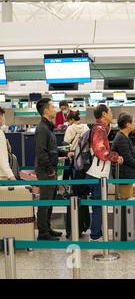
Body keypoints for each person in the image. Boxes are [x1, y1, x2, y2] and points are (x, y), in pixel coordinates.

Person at [86, 104, 123, 241]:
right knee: (98, 205)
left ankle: (97, 233)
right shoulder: (99, 129)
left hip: (98, 173)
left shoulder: (102, 129)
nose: (112, 114)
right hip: (96, 173)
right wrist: (115, 157)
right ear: (104, 114)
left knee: (99, 205)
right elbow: (101, 151)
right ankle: (95, 236)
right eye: (110, 111)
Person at [35, 98, 69, 241]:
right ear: (46, 111)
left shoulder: (48, 127)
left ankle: (47, 228)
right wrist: (50, 170)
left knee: (50, 200)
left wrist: (65, 153)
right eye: (52, 106)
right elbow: (41, 152)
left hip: (50, 170)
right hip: (46, 171)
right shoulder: (42, 128)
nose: (55, 108)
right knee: (45, 202)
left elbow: (52, 150)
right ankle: (43, 233)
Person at [111, 113, 135, 234]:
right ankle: (127, 229)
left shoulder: (125, 137)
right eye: (133, 121)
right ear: (127, 124)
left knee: (134, 201)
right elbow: (127, 157)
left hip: (131, 175)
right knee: (127, 202)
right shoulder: (120, 138)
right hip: (124, 176)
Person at [0, 107, 16, 181]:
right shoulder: (0, 133)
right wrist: (10, 175)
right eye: (3, 115)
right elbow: (2, 157)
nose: (4, 118)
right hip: (2, 176)